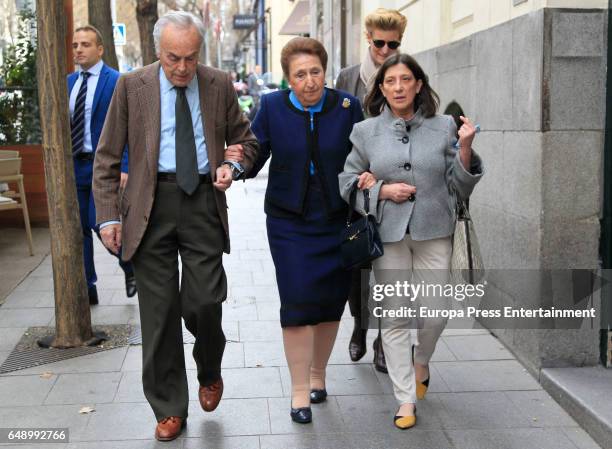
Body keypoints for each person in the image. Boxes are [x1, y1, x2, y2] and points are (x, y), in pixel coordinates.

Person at [92, 11, 258, 441]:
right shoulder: (133, 86)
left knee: (203, 301)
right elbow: (107, 156)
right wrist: (108, 215)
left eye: (190, 57)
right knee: (159, 313)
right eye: (173, 58)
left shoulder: (218, 83)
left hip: (202, 200)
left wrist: (231, 165)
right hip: (150, 205)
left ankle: (209, 366)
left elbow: (247, 141)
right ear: (157, 51)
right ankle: (169, 407)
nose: (183, 68)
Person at [339, 53, 483, 429]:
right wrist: (382, 191)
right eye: (391, 82)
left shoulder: (445, 126)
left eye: (406, 80)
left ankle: (423, 361)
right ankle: (405, 398)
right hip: (388, 235)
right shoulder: (365, 131)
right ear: (382, 89)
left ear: (418, 85)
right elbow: (348, 183)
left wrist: (465, 148)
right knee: (396, 316)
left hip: (435, 229)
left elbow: (461, 184)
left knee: (437, 310)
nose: (398, 87)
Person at [241, 37, 363, 424]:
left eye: (315, 72)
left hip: (338, 217)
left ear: (324, 72)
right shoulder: (273, 106)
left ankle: (318, 375)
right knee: (297, 301)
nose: (309, 81)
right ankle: (298, 392)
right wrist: (234, 167)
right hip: (289, 220)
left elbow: (364, 153)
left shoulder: (346, 106)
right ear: (287, 79)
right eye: (300, 75)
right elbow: (254, 150)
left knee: (330, 301)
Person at [335, 8, 407, 372]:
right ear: (369, 39)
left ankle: (383, 340)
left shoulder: (406, 76)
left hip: (392, 189)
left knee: (390, 271)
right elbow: (336, 131)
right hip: (355, 188)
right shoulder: (348, 78)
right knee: (357, 267)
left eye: (393, 43)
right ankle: (360, 326)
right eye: (379, 42)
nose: (385, 49)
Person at [67, 25, 135, 305]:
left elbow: (129, 126)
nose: (79, 49)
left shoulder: (117, 81)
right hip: (75, 167)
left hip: (103, 168)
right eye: (75, 45)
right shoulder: (68, 82)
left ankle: (130, 265)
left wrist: (126, 165)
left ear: (100, 49)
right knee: (77, 228)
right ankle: (88, 287)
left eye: (85, 44)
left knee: (100, 223)